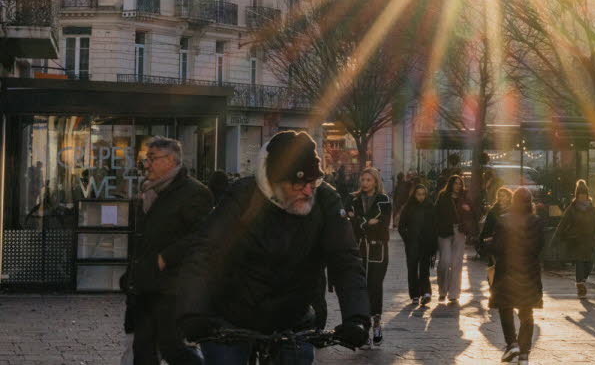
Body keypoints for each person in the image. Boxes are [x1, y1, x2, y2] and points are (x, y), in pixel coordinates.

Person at [175, 131, 370, 364]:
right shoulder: (242, 195)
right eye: (299, 184)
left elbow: (345, 259)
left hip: (293, 316)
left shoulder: (326, 200)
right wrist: (192, 312)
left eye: (313, 182)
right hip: (231, 313)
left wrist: (357, 317)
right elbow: (205, 251)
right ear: (275, 181)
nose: (308, 191)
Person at [128, 136, 213, 365]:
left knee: (172, 347)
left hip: (173, 287)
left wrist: (166, 257)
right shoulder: (149, 191)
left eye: (152, 158)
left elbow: (202, 236)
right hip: (146, 285)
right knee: (142, 350)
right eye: (146, 158)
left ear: (170, 160)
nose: (146, 164)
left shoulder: (194, 192)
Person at [491, 187, 544, 364]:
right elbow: (539, 247)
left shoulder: (504, 220)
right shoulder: (537, 222)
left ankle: (512, 344)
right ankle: (524, 354)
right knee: (527, 311)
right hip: (529, 273)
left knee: (505, 307)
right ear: (530, 203)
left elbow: (497, 247)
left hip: (507, 271)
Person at [347, 167, 391, 345]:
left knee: (375, 286)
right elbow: (349, 223)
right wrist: (367, 222)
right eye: (363, 180)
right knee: (361, 288)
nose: (365, 183)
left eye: (368, 180)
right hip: (359, 249)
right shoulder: (353, 199)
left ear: (375, 182)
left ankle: (377, 323)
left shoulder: (384, 200)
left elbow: (383, 225)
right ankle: (364, 327)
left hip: (378, 250)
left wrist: (358, 220)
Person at [554, 180, 595, 299]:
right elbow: (563, 223)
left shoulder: (592, 209)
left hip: (589, 241)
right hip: (577, 240)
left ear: (587, 195)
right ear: (577, 195)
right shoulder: (572, 209)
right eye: (580, 194)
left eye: (584, 194)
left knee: (589, 264)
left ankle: (582, 281)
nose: (582, 196)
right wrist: (556, 237)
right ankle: (580, 287)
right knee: (580, 263)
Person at [434, 174, 475, 304]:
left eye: (459, 183)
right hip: (444, 231)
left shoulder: (465, 197)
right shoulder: (443, 196)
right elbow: (436, 213)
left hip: (460, 231)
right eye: (455, 183)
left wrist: (468, 209)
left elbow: (473, 212)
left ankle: (454, 293)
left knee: (456, 262)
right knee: (444, 262)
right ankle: (442, 290)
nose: (458, 186)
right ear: (451, 184)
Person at [397, 183, 437, 306]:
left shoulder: (430, 207)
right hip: (412, 244)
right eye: (419, 194)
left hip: (426, 243)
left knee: (424, 269)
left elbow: (434, 226)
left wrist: (433, 244)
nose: (421, 197)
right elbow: (401, 226)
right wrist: (408, 239)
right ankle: (414, 294)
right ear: (414, 195)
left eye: (423, 194)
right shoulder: (408, 208)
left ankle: (426, 293)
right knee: (412, 269)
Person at [481, 187, 514, 286]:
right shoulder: (493, 211)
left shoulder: (514, 210)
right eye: (499, 196)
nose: (501, 198)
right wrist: (484, 240)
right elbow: (487, 228)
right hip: (495, 243)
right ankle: (493, 287)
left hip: (509, 244)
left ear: (509, 197)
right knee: (494, 267)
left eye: (503, 196)